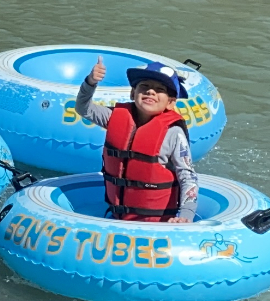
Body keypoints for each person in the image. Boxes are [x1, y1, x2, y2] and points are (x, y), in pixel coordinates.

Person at [73, 58, 199, 223]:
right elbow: (83, 108)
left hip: (157, 223)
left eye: (159, 89)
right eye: (144, 86)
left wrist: (185, 215)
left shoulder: (174, 133)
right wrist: (90, 82)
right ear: (133, 93)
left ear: (170, 103)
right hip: (116, 217)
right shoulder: (113, 117)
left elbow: (187, 176)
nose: (150, 92)